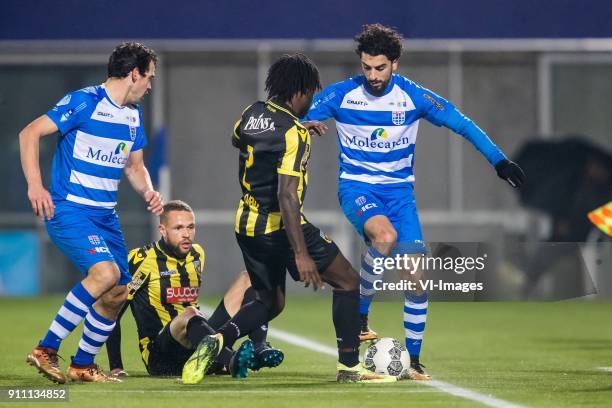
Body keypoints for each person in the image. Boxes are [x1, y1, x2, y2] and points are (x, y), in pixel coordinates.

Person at [303, 24, 526, 380]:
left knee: (417, 278)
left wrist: (499, 161)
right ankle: (360, 316)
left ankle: (415, 361)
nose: (373, 75)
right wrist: (302, 124)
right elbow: (293, 117)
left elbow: (463, 124)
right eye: (366, 67)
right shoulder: (340, 95)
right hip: (358, 190)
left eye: (380, 67)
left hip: (400, 197)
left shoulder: (414, 97)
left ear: (395, 64)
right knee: (385, 238)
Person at [180, 53, 397, 385]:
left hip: (245, 224)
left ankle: (218, 338)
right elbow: (286, 196)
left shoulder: (252, 113)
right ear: (299, 91)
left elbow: (238, 138)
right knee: (348, 281)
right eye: (310, 93)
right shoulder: (293, 134)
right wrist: (300, 253)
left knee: (270, 301)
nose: (311, 101)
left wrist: (292, 131)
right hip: (279, 225)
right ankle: (351, 368)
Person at [20, 42, 163, 383]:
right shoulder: (83, 101)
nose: (150, 85)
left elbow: (134, 165)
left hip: (105, 217)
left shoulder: (132, 115)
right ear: (133, 74)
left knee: (117, 292)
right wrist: (35, 186)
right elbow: (29, 133)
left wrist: (148, 190)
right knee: (105, 274)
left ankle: (82, 364)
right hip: (69, 210)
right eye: (149, 76)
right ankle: (46, 349)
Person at [105, 200, 284, 380]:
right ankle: (230, 360)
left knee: (248, 278)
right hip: (161, 356)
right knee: (191, 313)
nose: (186, 234)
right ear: (162, 230)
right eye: (179, 228)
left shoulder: (197, 254)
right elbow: (113, 311)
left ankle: (258, 347)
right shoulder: (140, 260)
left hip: (197, 341)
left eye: (191, 227)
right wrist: (116, 367)